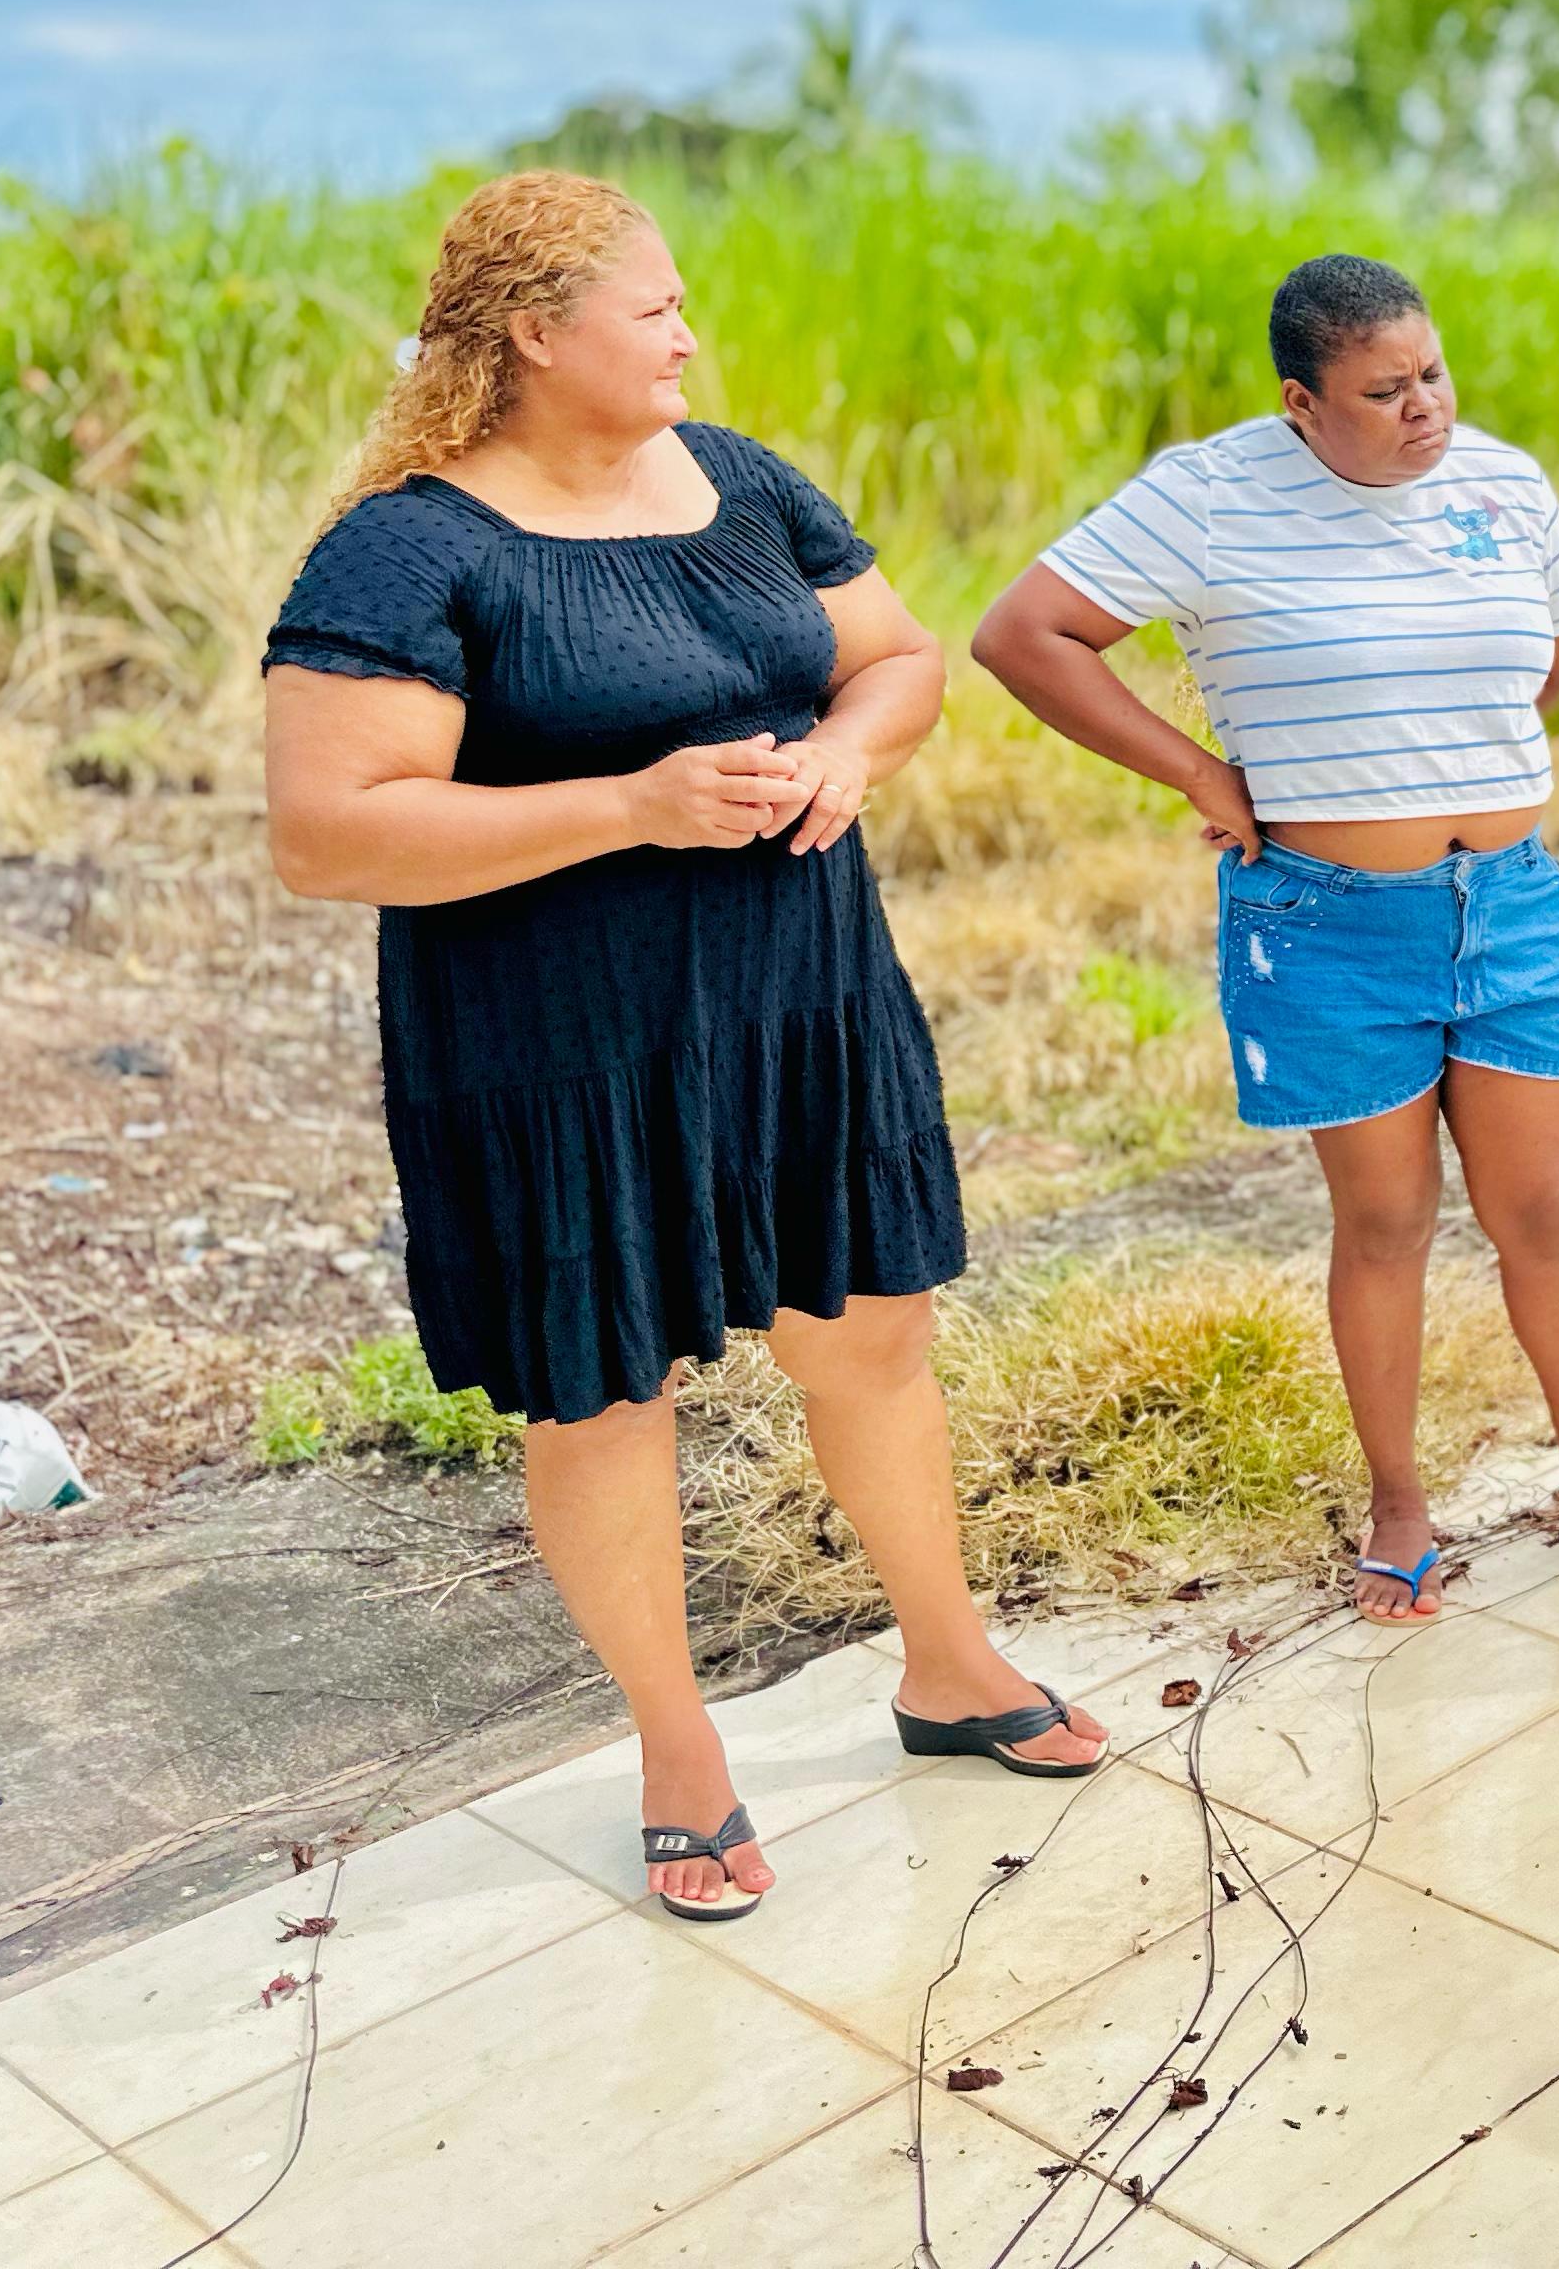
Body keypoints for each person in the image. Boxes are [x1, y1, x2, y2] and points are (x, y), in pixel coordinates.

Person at [263, 172, 1107, 1932]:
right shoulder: (407, 549)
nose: (688, 336)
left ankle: (949, 1666)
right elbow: (327, 834)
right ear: (534, 333)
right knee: (606, 1392)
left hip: (801, 1004)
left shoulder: (743, 480)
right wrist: (628, 806)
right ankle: (678, 1750)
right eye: (653, 310)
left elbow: (897, 661)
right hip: (561, 1050)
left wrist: (850, 753)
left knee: (873, 1333)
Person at [973, 254, 1559, 1625]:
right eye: (1383, 392)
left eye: (1432, 374)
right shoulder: (1210, 493)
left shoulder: (1505, 484)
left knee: (1544, 1215)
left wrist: (1430, 750)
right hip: (1330, 925)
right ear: (1301, 402)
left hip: (1509, 907)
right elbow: (1024, 636)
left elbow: (1550, 664)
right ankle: (1399, 1503)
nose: (1424, 406)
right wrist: (1202, 772)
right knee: (1385, 1222)